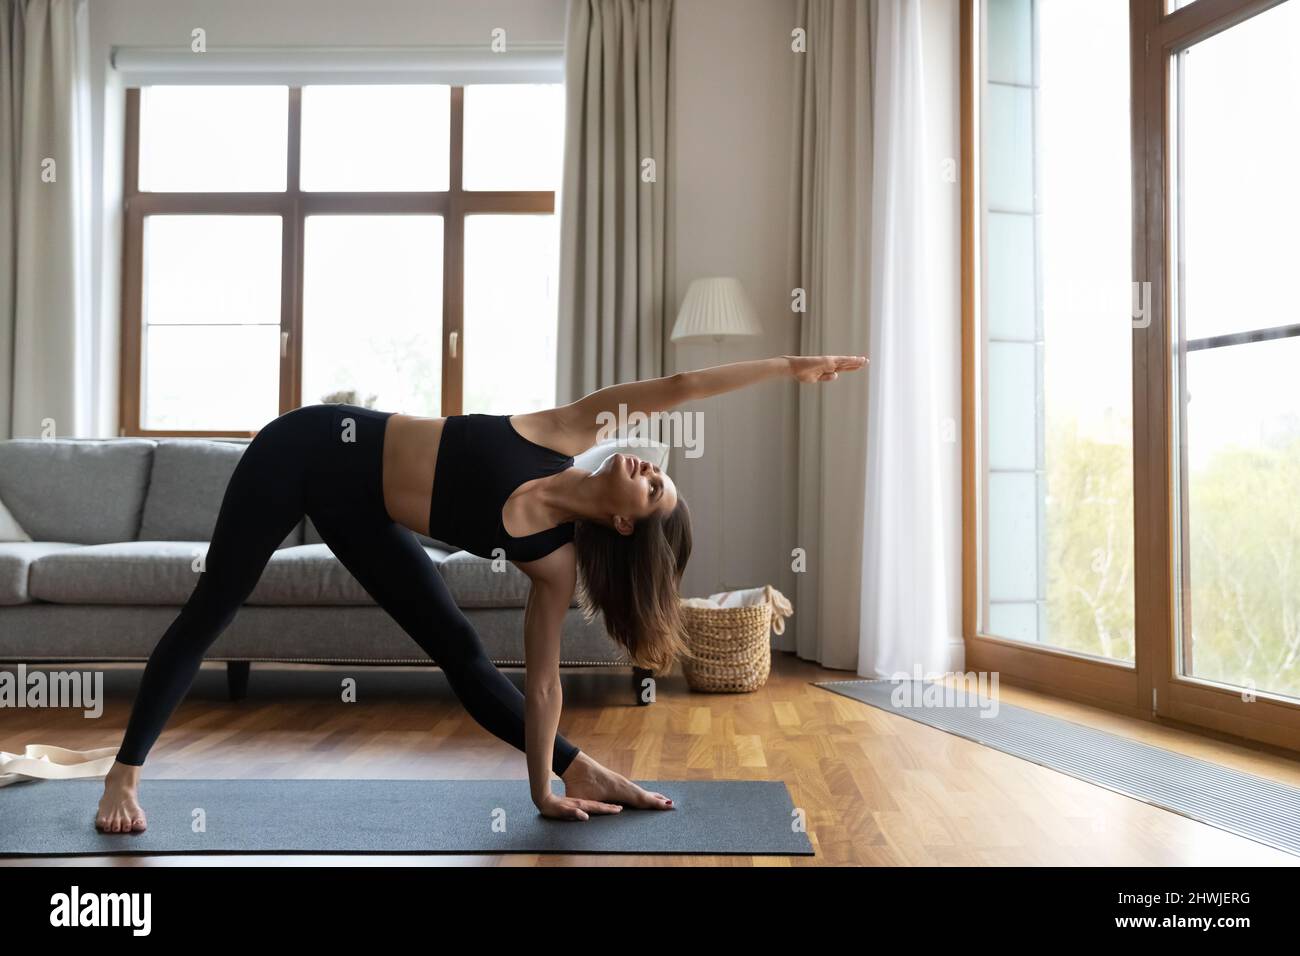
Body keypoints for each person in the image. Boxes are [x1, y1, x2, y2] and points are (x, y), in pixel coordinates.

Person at [94, 353, 867, 831]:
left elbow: (541, 681)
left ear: (632, 528)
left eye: (656, 486)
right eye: (656, 470)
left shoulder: (554, 563)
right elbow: (680, 384)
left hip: (359, 512)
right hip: (302, 447)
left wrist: (544, 785)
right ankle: (124, 773)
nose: (646, 468)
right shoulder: (564, 430)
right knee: (215, 606)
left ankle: (581, 768)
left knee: (462, 653)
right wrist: (789, 368)